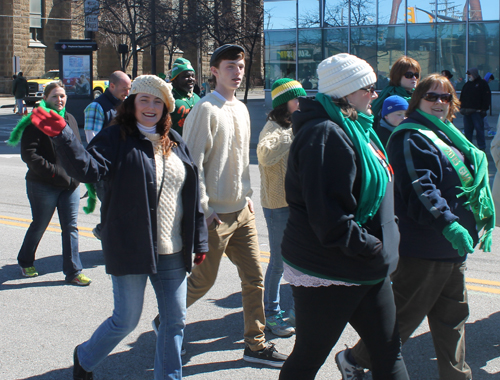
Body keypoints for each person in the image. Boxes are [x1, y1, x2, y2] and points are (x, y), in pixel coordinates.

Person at [27, 75, 208, 380]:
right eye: (144, 100)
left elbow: (191, 194)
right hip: (130, 244)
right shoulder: (115, 138)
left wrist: (200, 240)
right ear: (132, 103)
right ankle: (84, 357)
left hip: (173, 249)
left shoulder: (175, 142)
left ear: (165, 107)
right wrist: (63, 136)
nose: (150, 106)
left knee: (175, 321)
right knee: (126, 319)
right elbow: (88, 168)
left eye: (157, 102)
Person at [337, 73, 495, 380]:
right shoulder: (411, 136)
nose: (439, 103)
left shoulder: (449, 133)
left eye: (445, 97)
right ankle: (354, 359)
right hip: (424, 248)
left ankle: (457, 377)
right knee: (405, 318)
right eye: (431, 97)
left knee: (453, 320)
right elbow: (421, 188)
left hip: (451, 249)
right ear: (417, 99)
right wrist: (449, 224)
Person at [279, 53, 408, 380]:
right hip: (326, 267)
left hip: (363, 262)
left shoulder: (355, 126)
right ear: (346, 92)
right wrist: (376, 249)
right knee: (308, 358)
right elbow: (331, 221)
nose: (375, 95)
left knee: (389, 352)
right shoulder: (324, 135)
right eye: (369, 88)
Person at [181, 44, 288, 367]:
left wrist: (247, 197)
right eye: (230, 66)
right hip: (214, 215)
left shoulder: (240, 108)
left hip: (242, 210)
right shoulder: (205, 109)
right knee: (202, 281)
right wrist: (205, 209)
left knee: (254, 277)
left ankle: (255, 345)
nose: (237, 72)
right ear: (214, 71)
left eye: (240, 67)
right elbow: (191, 164)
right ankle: (169, 321)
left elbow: (241, 160)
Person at [7, 81, 91, 285]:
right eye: (55, 96)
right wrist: (55, 173)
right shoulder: (36, 120)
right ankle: (25, 261)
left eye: (62, 96)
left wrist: (83, 176)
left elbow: (78, 151)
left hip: (70, 186)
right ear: (45, 99)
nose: (59, 100)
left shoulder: (69, 119)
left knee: (71, 227)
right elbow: (29, 155)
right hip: (43, 184)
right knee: (40, 224)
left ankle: (74, 271)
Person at [257, 78, 307, 337]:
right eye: (296, 98)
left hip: (298, 203)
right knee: (278, 263)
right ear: (283, 104)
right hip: (277, 205)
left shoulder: (292, 125)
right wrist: (294, 132)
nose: (301, 102)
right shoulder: (273, 127)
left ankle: (300, 308)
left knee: (300, 259)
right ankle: (272, 313)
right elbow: (265, 155)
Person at [83, 70, 131, 240]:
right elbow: (93, 140)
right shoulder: (97, 107)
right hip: (106, 170)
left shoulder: (123, 105)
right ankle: (106, 235)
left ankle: (107, 233)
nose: (127, 92)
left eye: (129, 88)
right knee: (112, 208)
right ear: (111, 86)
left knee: (122, 208)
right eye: (124, 88)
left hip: (121, 167)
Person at [371, 56, 420, 120]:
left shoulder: (420, 96)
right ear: (398, 76)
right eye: (409, 75)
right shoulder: (389, 96)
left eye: (416, 75)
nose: (414, 78)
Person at [459, 68, 491, 150]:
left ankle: (482, 147)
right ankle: (468, 147)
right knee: (468, 131)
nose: (469, 76)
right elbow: (462, 96)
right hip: (467, 112)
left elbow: (486, 97)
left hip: (477, 111)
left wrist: (484, 109)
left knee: (479, 130)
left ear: (474, 74)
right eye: (468, 75)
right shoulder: (467, 85)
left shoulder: (482, 84)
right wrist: (461, 106)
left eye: (470, 74)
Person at [169, 58, 201, 135]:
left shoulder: (197, 98)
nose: (191, 79)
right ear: (175, 79)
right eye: (186, 76)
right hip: (175, 144)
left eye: (193, 76)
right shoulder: (168, 98)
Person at [483, 72, 495, 137]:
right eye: (490, 80)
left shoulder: (484, 83)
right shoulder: (484, 84)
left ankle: (488, 131)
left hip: (482, 106)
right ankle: (489, 131)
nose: (490, 81)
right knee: (483, 119)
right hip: (482, 106)